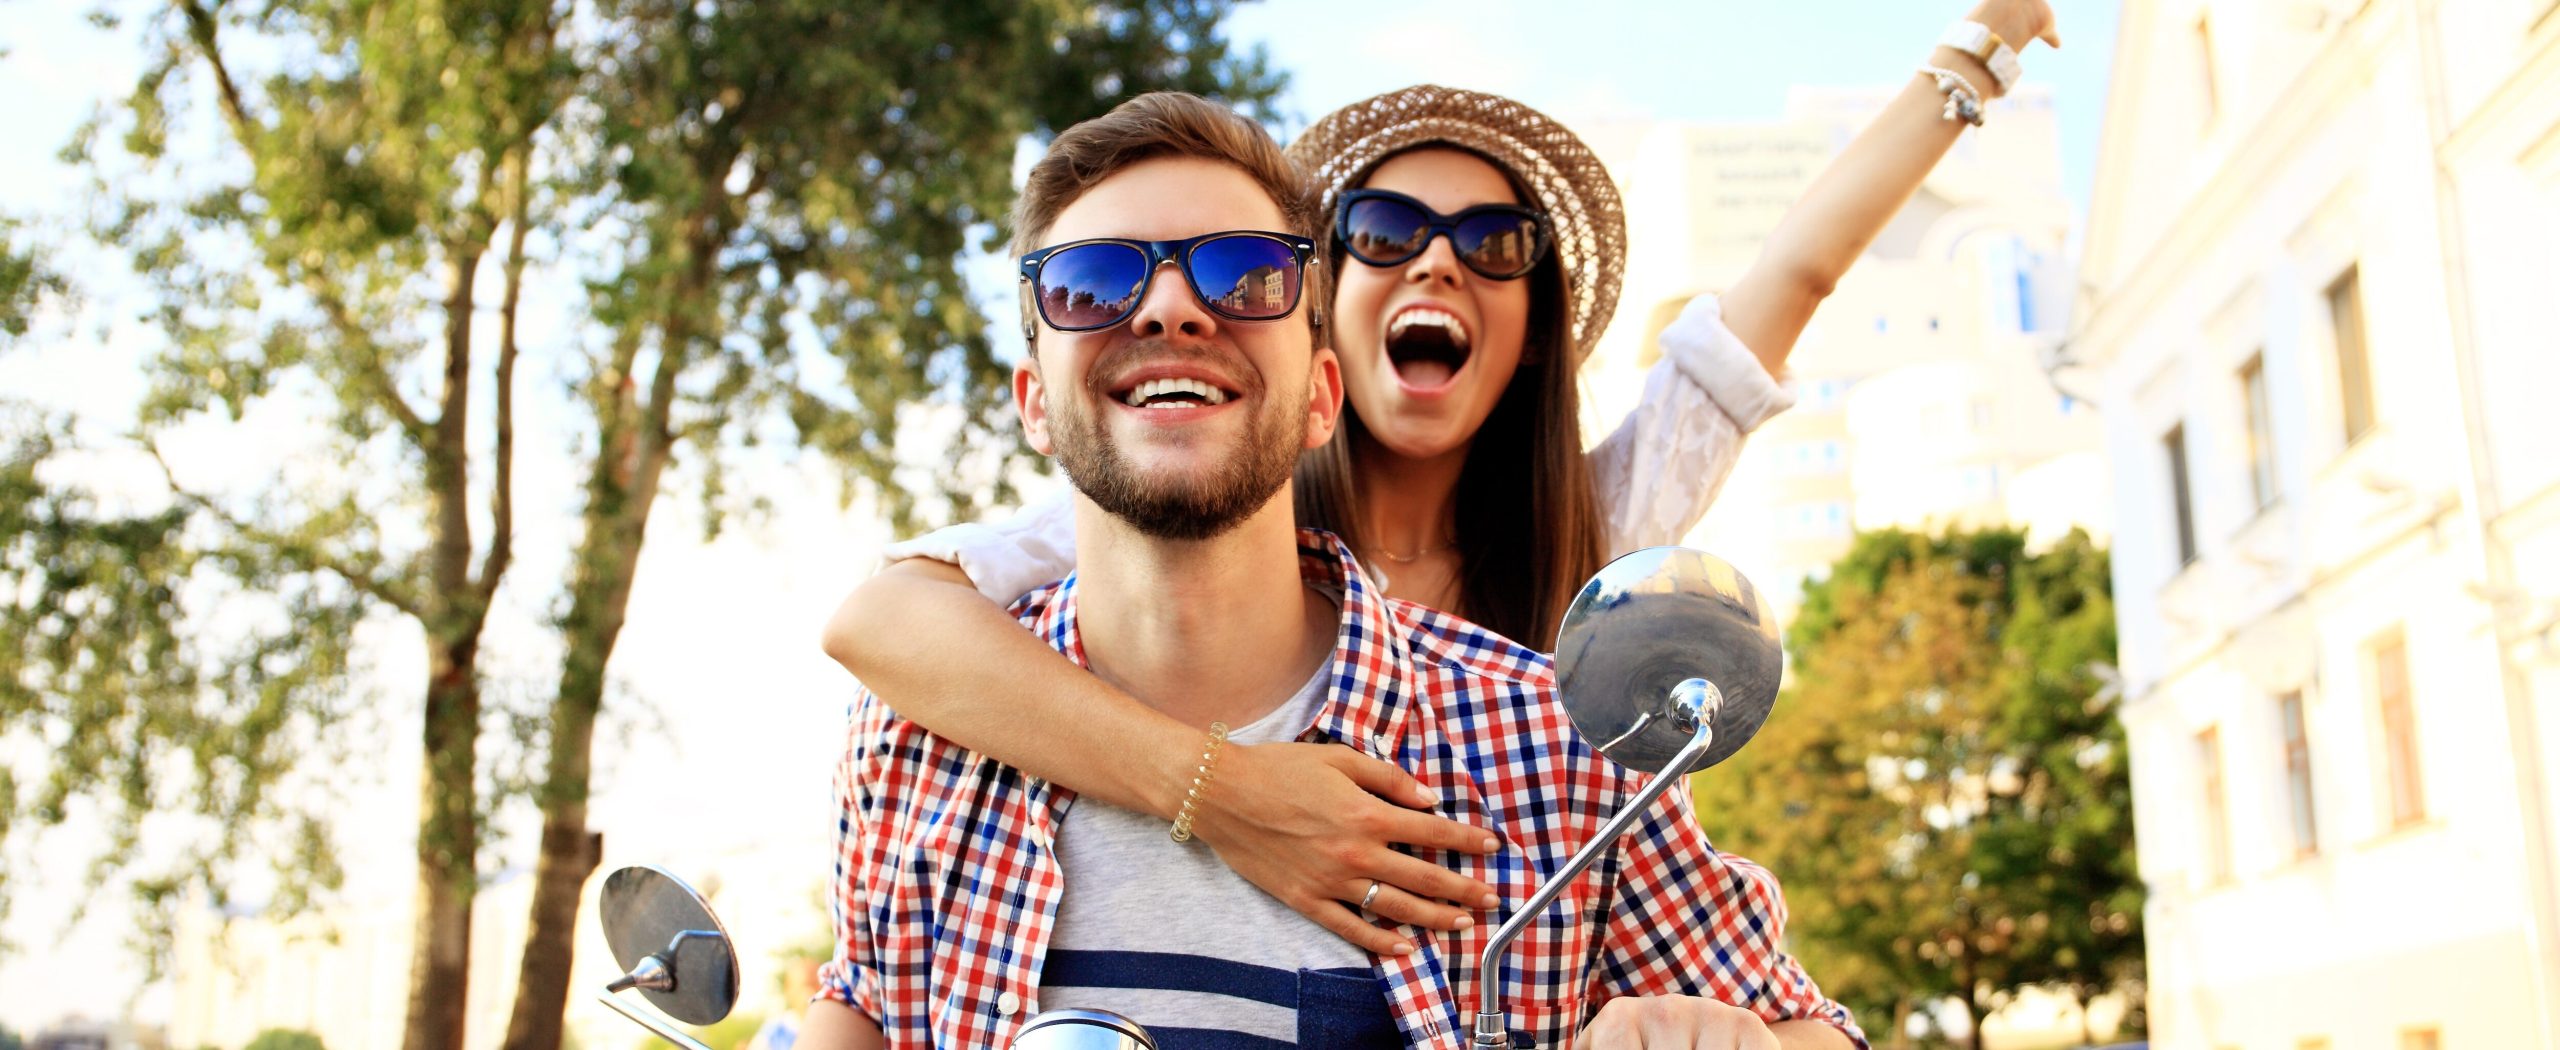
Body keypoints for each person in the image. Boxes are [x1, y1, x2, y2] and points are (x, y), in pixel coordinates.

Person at [824, 0, 2059, 963]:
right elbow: (882, 620)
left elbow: (1789, 276)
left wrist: (1981, 47)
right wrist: (1227, 792)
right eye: (1383, 231)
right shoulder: (1205, 506)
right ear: (1318, 321)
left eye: (1494, 244)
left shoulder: (1600, 532)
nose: (1438, 264)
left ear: (1534, 325)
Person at [803, 91, 1860, 1050]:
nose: (1170, 309)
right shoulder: (917, 727)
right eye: (1093, 282)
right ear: (1035, 403)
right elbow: (863, 998)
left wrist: (1710, 1041)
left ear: (1321, 397)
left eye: (1242, 275)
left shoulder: (1559, 742)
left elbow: (1811, 1033)